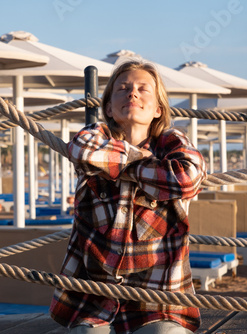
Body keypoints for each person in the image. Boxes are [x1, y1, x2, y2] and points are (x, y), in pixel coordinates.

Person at [49, 60, 207, 334]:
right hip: (94, 298)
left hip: (159, 299)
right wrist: (143, 161)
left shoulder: (172, 141)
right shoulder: (95, 135)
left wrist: (119, 166)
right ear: (109, 107)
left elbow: (188, 176)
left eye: (143, 89)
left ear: (158, 109)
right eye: (122, 88)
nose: (132, 93)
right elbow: (82, 150)